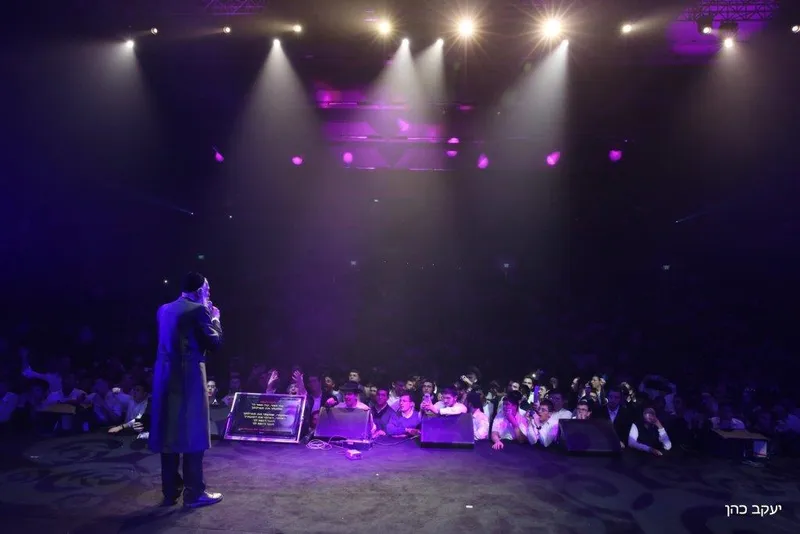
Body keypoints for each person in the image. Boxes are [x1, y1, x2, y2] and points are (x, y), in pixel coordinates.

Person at [148, 272, 224, 508]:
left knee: (169, 435)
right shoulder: (198, 310)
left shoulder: (163, 309)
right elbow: (214, 343)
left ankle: (170, 491)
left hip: (164, 379)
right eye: (207, 289)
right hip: (188, 379)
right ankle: (194, 493)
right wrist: (215, 318)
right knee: (194, 434)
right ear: (200, 290)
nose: (209, 293)